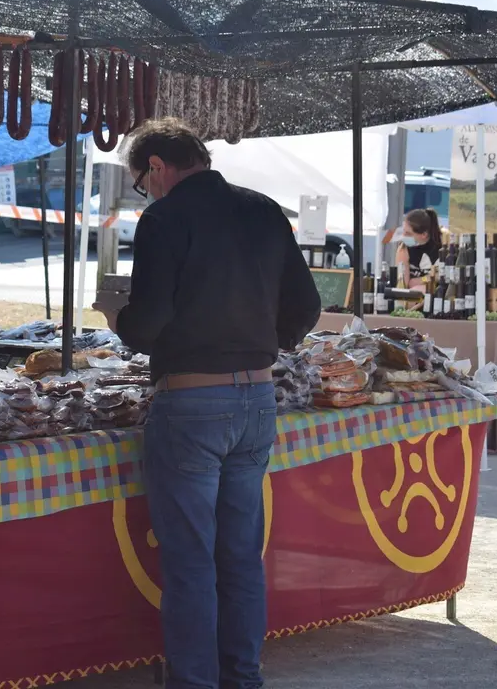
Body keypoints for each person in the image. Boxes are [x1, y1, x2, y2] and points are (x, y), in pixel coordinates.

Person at [92, 118, 320, 689]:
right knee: (240, 556)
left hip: (192, 401)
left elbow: (148, 321)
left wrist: (118, 319)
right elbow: (307, 306)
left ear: (157, 167)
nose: (147, 191)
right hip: (258, 397)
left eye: (143, 182)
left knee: (191, 561)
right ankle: (243, 678)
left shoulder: (165, 218)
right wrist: (262, 341)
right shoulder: (264, 209)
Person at [396, 208, 442, 291]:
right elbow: (404, 284)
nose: (403, 236)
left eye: (408, 233)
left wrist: (422, 280)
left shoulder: (442, 246)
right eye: (404, 231)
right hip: (413, 295)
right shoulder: (404, 248)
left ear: (424, 234)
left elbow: (445, 276)